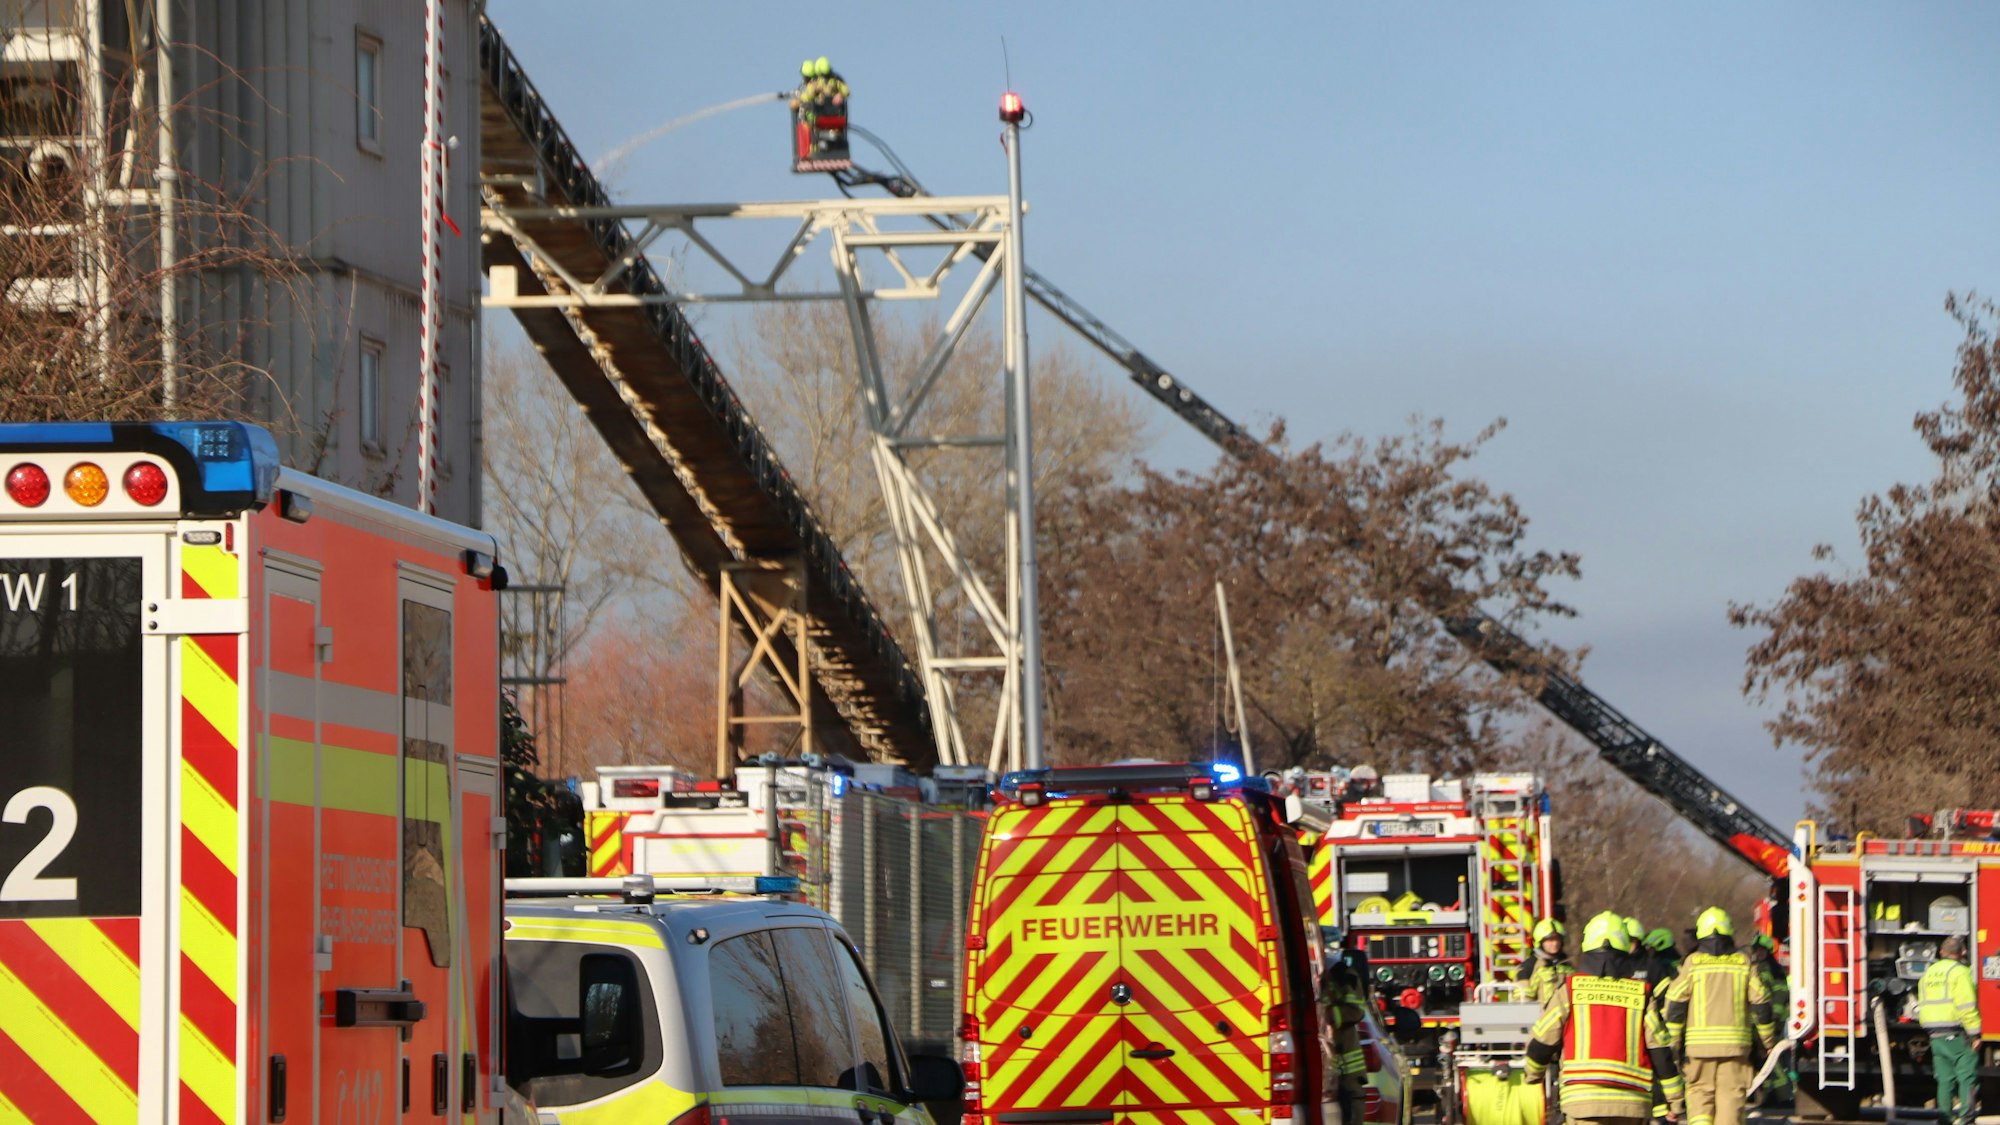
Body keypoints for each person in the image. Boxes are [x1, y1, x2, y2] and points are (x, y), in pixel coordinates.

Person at [1526, 911, 1687, 1125]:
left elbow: (1542, 1042)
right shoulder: (1641, 994)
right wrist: (1675, 1100)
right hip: (1631, 1105)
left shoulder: (1569, 990)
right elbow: (1661, 1052)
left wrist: (1533, 1074)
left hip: (1583, 1103)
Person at [1663, 908, 1778, 1125]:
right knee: (1731, 1100)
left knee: (1699, 1096)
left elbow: (1675, 1003)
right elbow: (1761, 1002)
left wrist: (1674, 1043)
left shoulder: (1693, 963)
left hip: (1698, 1049)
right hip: (1735, 1049)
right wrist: (1768, 1042)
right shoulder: (1743, 963)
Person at [1917, 934, 1981, 1125]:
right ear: (1962, 952)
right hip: (1957, 1032)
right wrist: (1975, 1034)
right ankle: (1966, 1118)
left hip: (1934, 1033)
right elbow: (1966, 1005)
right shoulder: (1960, 972)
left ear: (1941, 952)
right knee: (1966, 1076)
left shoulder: (1928, 972)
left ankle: (1945, 1118)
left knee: (1944, 1079)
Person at [1320, 958, 1370, 1125]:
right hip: (1324, 1064)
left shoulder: (1343, 975)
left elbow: (1355, 1010)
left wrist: (1329, 1015)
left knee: (1351, 1109)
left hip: (1346, 1069)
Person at [1521, 917, 1575, 1003]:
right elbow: (1522, 1000)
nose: (1555, 943)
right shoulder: (1528, 967)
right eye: (1550, 940)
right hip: (1541, 1015)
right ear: (1540, 942)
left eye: (1558, 939)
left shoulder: (1567, 966)